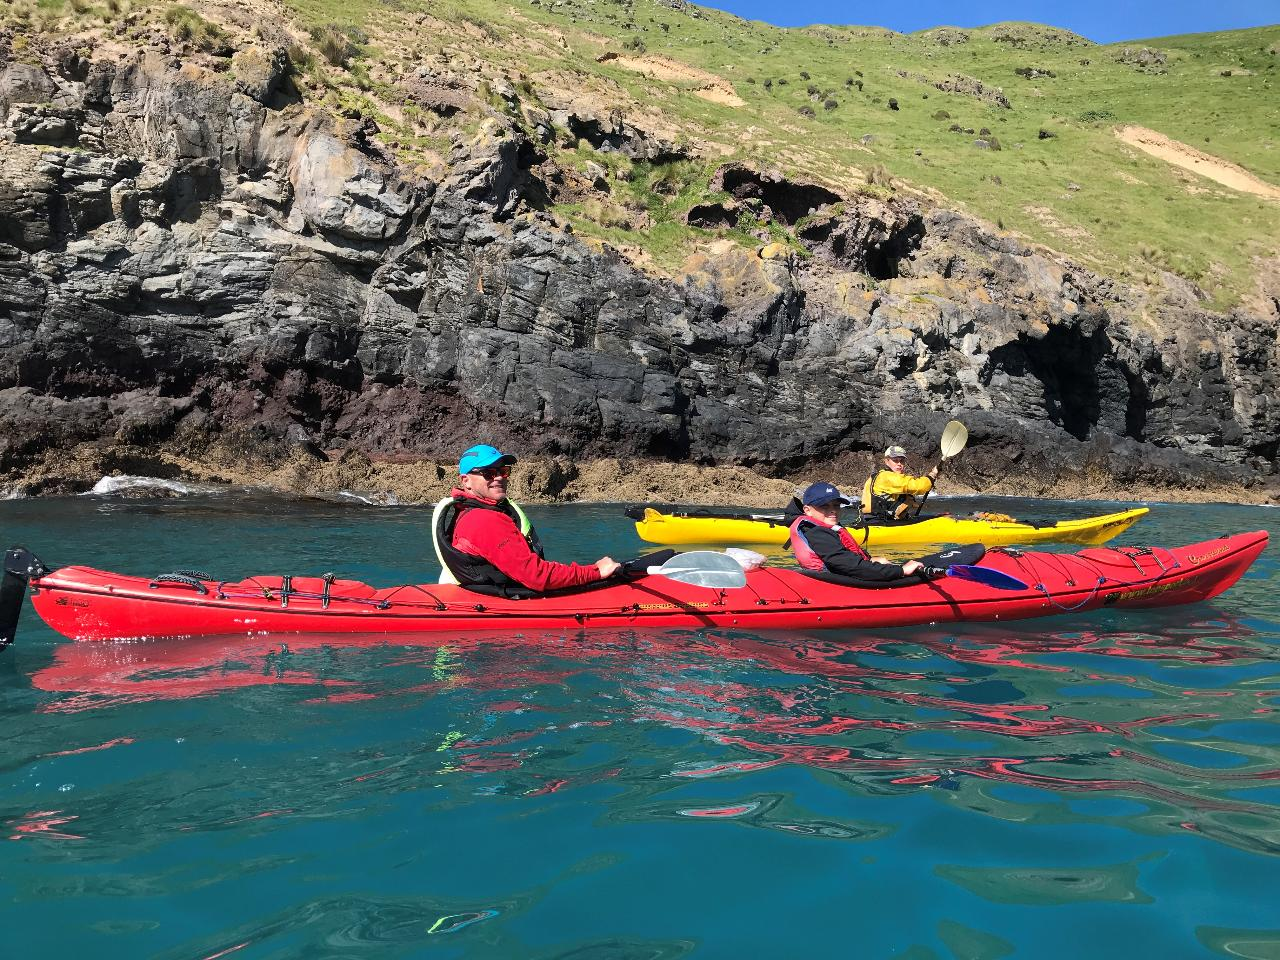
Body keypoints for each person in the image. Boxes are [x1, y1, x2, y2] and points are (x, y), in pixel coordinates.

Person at [432, 444, 622, 595]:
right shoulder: (484, 520)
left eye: (503, 471)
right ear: (466, 481)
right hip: (505, 603)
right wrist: (596, 571)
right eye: (489, 473)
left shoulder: (466, 509)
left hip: (484, 591)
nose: (498, 477)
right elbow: (536, 575)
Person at [785, 482, 926, 582]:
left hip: (838, 578)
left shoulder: (820, 528)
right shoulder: (817, 533)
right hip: (837, 584)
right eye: (824, 506)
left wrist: (871, 560)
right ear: (807, 510)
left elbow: (848, 561)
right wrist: (901, 571)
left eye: (836, 505)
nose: (833, 510)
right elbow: (852, 567)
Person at [862, 444, 938, 521]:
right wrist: (932, 475)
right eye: (895, 460)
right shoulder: (886, 477)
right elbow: (919, 486)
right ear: (886, 461)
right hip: (878, 523)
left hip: (877, 520)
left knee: (908, 498)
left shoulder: (882, 476)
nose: (899, 464)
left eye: (902, 461)